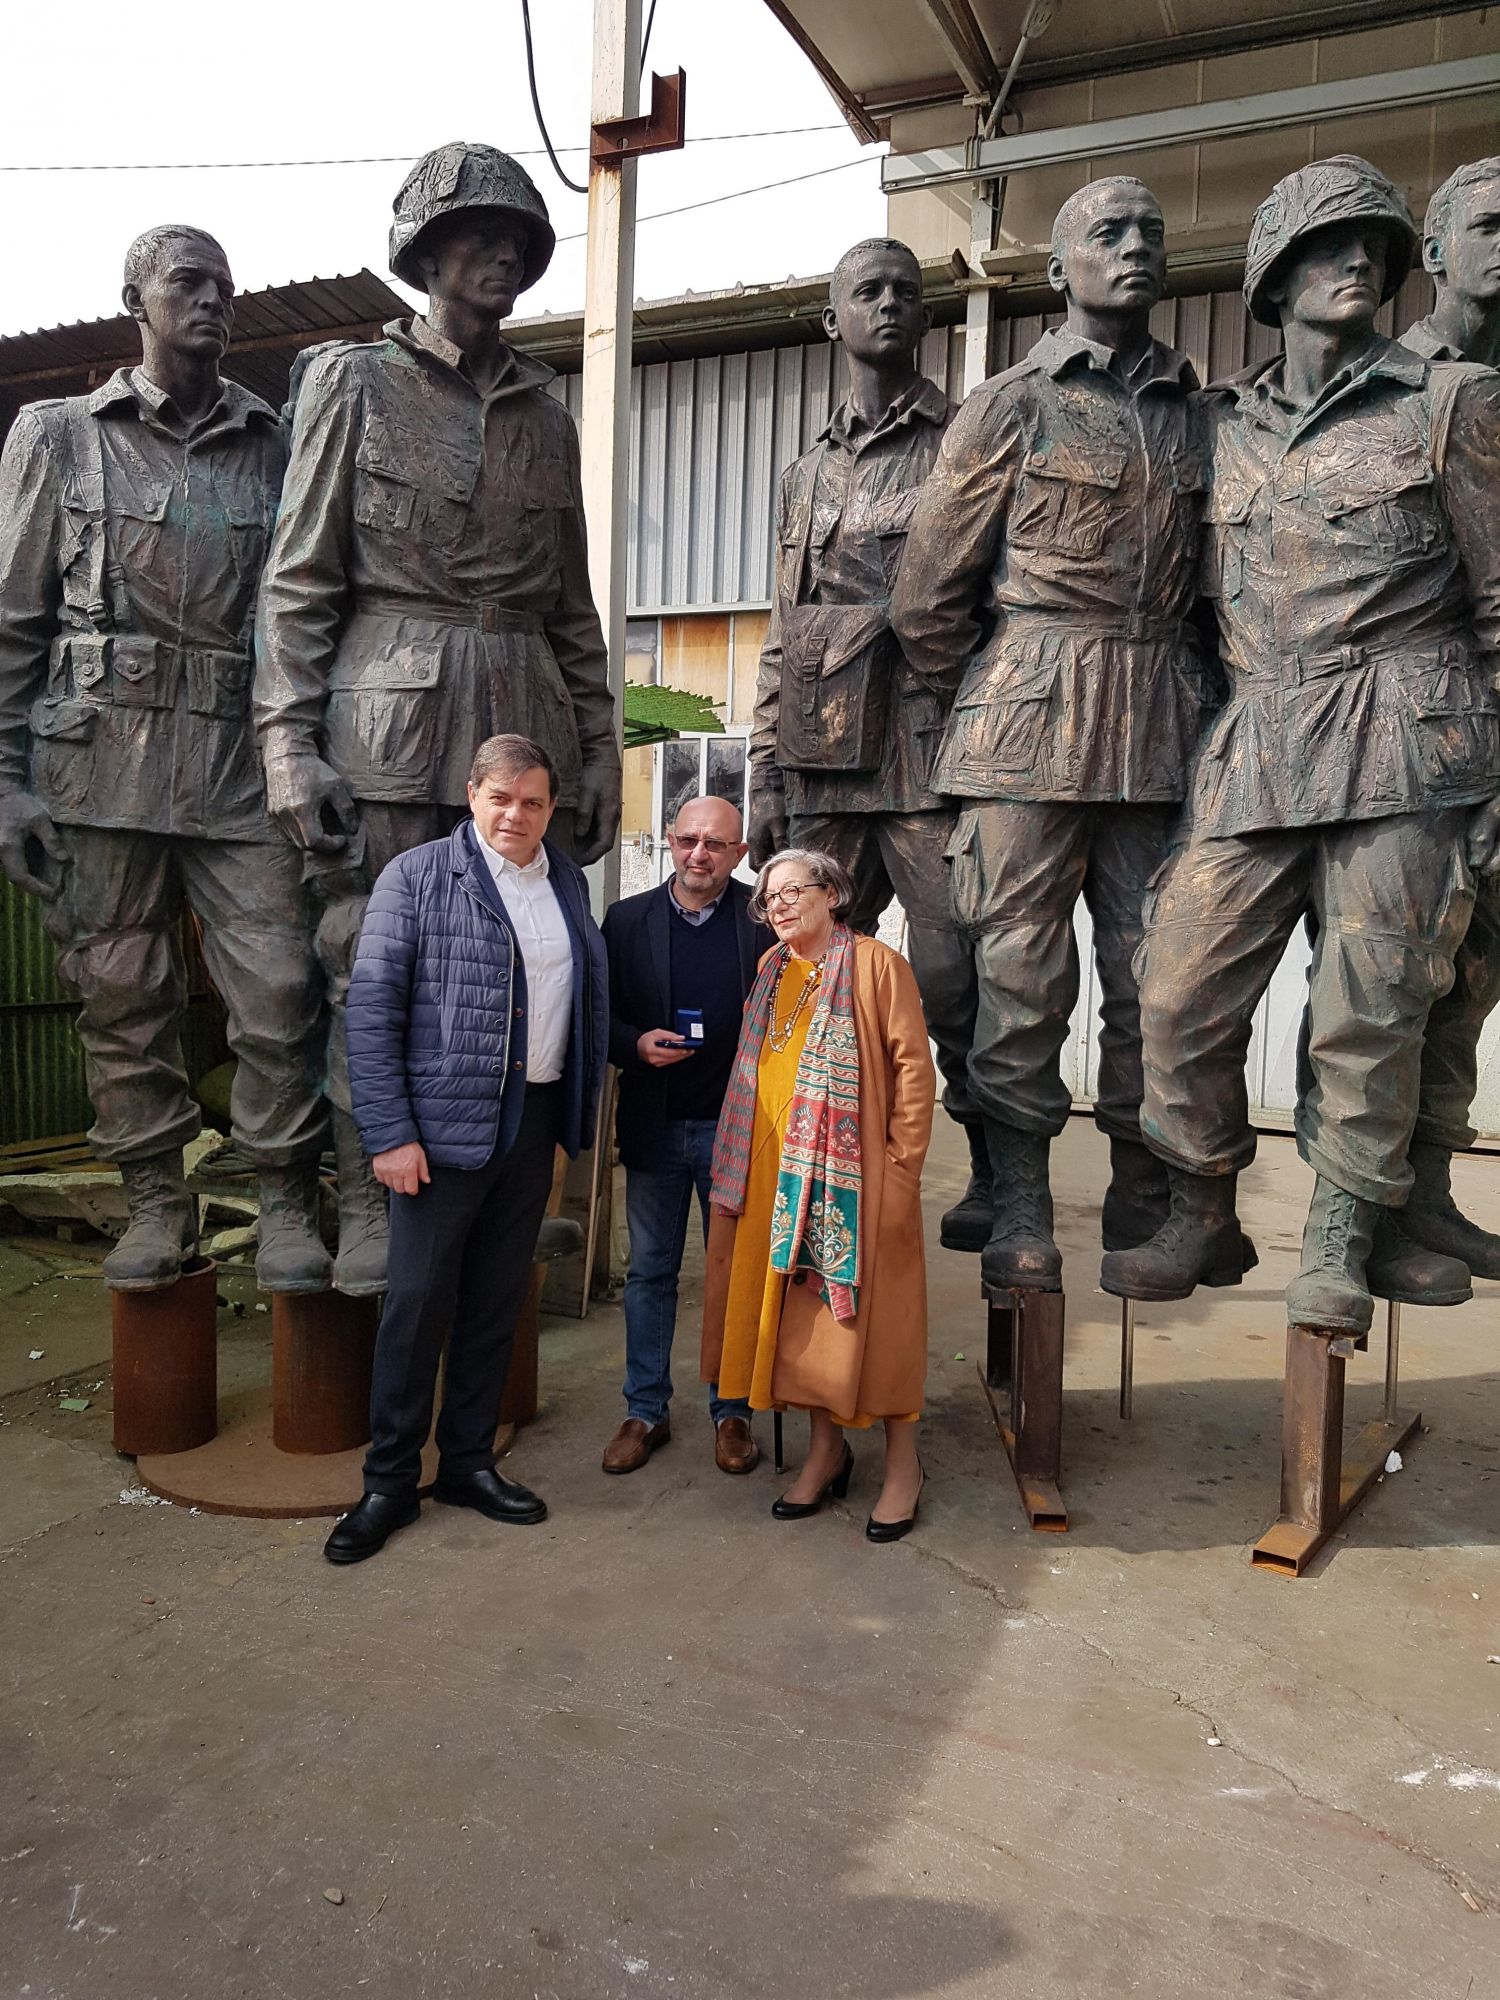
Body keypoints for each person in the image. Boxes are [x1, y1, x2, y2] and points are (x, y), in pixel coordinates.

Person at [1102, 157, 1500, 1335]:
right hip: (1260, 735)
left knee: (1371, 1006)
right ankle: (1203, 1198)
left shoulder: (1451, 402)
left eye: (1375, 245)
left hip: (1407, 735)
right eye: (1330, 245)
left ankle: (1340, 1234)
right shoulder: (1219, 426)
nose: (1359, 263)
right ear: (1271, 275)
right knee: (1175, 989)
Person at [254, 142, 622, 1293]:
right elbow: (300, 579)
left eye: (519, 233)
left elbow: (573, 605)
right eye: (476, 230)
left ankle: (508, 1189)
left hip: (526, 719)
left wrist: (601, 746)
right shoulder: (352, 384)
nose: (502, 248)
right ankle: (375, 1196)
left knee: (526, 963)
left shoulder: (547, 417)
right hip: (390, 723)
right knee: (375, 957)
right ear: (423, 249)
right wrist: (287, 741)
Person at [892, 179, 1222, 1294]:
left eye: (1151, 232)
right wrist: (999, 689)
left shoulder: (1197, 413)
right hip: (1029, 717)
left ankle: (1142, 1180)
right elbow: (928, 597)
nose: (1135, 249)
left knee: (1158, 972)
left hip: (1163, 723)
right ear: (1059, 269)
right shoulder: (1009, 405)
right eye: (1108, 234)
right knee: (1021, 975)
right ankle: (1022, 1192)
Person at [0, 224, 328, 1293]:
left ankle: (284, 1193)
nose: (213, 300)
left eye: (225, 287)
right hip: (98, 759)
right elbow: (13, 624)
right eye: (188, 282)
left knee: (280, 986)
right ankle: (155, 1198)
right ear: (133, 299)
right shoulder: (57, 436)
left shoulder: (276, 445)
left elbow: (314, 606)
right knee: (120, 992)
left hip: (239, 760)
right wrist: (4, 781)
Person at [747, 237, 986, 1254]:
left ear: (925, 315)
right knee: (800, 972)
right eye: (867, 291)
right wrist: (763, 766)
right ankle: (785, 1157)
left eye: (904, 291)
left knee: (957, 975)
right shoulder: (805, 476)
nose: (888, 304)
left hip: (931, 759)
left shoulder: (969, 441)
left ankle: (999, 1174)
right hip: (821, 758)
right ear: (832, 319)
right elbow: (782, 627)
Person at [323, 734, 607, 1565]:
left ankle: (468, 1464)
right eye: (501, 799)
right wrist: (391, 1134)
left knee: (492, 1305)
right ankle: (386, 1482)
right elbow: (370, 1014)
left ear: (551, 809)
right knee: (415, 1311)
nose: (516, 815)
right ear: (471, 796)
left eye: (533, 802)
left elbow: (575, 999)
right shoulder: (414, 879)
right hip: (440, 1136)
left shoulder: (565, 882)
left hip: (534, 1124)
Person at [701, 849, 936, 1541]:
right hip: (776, 1178)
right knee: (802, 1331)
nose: (775, 905)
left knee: (881, 1325)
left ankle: (902, 1467)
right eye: (767, 898)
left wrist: (900, 1173)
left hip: (857, 1180)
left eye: (791, 892)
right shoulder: (773, 970)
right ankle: (826, 1453)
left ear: (832, 894)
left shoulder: (874, 965)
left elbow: (914, 1074)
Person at [1374, 157, 1500, 1285]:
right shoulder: (1393, 388)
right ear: (1435, 252)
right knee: (1389, 988)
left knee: (1468, 986)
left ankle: (1429, 1195)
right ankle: (1364, 1218)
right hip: (1414, 736)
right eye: (1491, 225)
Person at [600, 796, 768, 1474]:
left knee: (733, 1273)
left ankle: (731, 1412)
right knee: (650, 1274)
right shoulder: (626, 920)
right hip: (657, 1125)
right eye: (689, 840)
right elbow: (598, 1016)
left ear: (740, 853)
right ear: (670, 840)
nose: (700, 854)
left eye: (716, 845)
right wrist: (635, 1045)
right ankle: (645, 1409)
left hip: (737, 1131)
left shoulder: (763, 921)